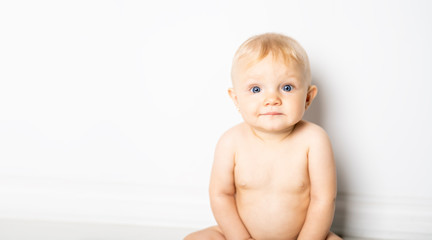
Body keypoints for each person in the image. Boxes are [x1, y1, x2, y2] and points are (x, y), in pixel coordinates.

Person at [184, 33, 342, 240]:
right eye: (256, 89)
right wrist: (239, 238)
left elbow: (323, 199)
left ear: (308, 97)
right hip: (242, 236)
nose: (271, 99)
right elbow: (220, 195)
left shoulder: (314, 140)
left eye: (287, 87)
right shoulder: (231, 142)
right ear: (236, 99)